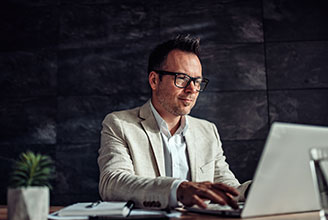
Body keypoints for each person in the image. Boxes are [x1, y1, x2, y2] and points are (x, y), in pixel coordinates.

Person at [98, 34, 250, 210]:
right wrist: (178, 189)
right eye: (182, 79)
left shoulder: (207, 131)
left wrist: (252, 190)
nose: (192, 89)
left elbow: (226, 187)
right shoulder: (119, 124)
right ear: (154, 80)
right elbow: (112, 184)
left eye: (197, 81)